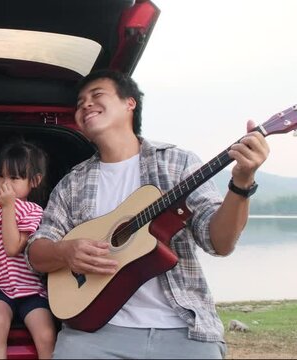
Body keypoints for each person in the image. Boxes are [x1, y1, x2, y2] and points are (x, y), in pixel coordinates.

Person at [25, 69, 270, 359]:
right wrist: (65, 252)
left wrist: (241, 184)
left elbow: (219, 243)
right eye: (80, 103)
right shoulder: (72, 183)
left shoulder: (177, 163)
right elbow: (36, 253)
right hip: (94, 334)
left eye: (96, 95)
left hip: (183, 329)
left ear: (130, 103)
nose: (85, 105)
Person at [0, 140, 56, 359]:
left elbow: (12, 247)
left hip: (30, 289)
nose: (5, 183)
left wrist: (8, 207)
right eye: (1, 176)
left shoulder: (34, 211)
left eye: (15, 178)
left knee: (46, 334)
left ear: (35, 181)